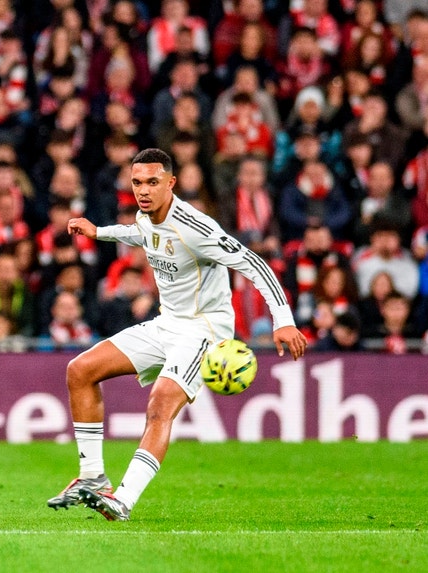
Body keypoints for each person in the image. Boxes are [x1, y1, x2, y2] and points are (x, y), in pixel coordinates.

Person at [49, 148, 307, 521]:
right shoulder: (145, 214)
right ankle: (92, 478)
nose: (144, 190)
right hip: (166, 323)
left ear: (171, 183)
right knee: (80, 369)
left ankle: (124, 499)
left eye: (153, 182)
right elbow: (143, 234)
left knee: (160, 404)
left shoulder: (197, 228)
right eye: (137, 182)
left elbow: (254, 263)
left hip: (204, 330)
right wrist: (99, 231)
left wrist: (282, 318)